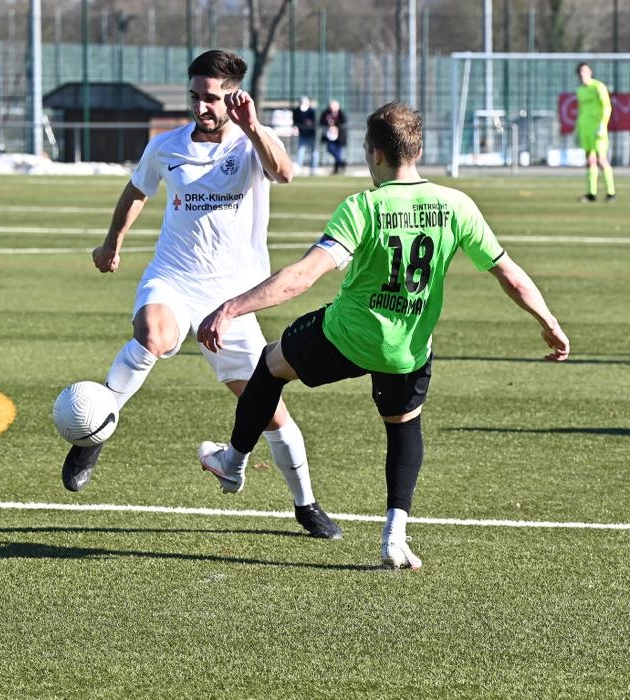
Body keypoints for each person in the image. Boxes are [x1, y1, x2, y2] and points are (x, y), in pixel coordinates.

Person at [196, 102, 570, 569]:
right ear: (418, 149)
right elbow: (509, 275)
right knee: (403, 427)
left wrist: (231, 307)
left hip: (344, 337)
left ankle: (233, 461)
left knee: (270, 365)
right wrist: (549, 323)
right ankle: (394, 536)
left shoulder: (364, 207)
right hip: (408, 349)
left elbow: (302, 277)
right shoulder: (456, 205)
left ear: (374, 154)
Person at [61, 49, 342, 539]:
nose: (200, 107)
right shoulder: (166, 146)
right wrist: (112, 244)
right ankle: (96, 430)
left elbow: (285, 173)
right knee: (152, 335)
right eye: (194, 96)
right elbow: (136, 192)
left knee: (269, 411)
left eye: (210, 98)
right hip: (173, 278)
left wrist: (253, 127)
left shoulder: (251, 143)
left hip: (232, 299)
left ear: (232, 96)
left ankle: (307, 504)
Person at [574, 62, 615, 203]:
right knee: (589, 160)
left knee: (601, 160)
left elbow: (607, 107)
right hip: (585, 130)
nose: (582, 74)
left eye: (584, 71)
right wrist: (577, 130)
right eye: (580, 72)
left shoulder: (598, 87)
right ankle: (591, 193)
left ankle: (611, 193)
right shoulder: (580, 91)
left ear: (590, 72)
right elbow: (581, 111)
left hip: (598, 130)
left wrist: (603, 124)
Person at [292, 96, 318, 175]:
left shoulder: (312, 111)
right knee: (300, 152)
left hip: (311, 134)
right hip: (302, 134)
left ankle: (313, 169)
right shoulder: (296, 111)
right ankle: (299, 169)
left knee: (314, 152)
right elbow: (295, 122)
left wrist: (310, 124)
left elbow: (315, 122)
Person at [320, 99, 348, 174]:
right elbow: (321, 121)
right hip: (329, 136)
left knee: (338, 152)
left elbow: (344, 122)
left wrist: (335, 125)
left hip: (339, 137)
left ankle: (336, 170)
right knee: (330, 148)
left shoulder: (341, 113)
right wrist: (329, 125)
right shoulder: (326, 113)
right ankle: (341, 162)